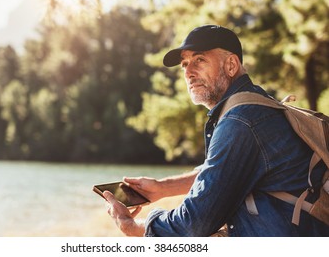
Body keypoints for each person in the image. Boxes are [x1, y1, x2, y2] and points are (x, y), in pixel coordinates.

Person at [103, 25, 329, 237]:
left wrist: (134, 227)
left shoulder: (240, 121)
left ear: (231, 65)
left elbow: (194, 224)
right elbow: (223, 170)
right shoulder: (257, 105)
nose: (188, 73)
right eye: (184, 64)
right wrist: (162, 188)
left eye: (199, 60)